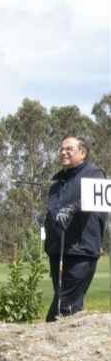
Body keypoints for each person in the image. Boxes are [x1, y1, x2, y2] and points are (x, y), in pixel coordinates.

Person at [43, 134, 106, 322]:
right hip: (57, 252)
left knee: (64, 307)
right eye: (61, 149)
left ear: (83, 153)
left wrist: (72, 209)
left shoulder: (95, 175)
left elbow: (95, 198)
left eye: (69, 149)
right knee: (70, 306)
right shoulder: (56, 185)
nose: (63, 152)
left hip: (81, 253)